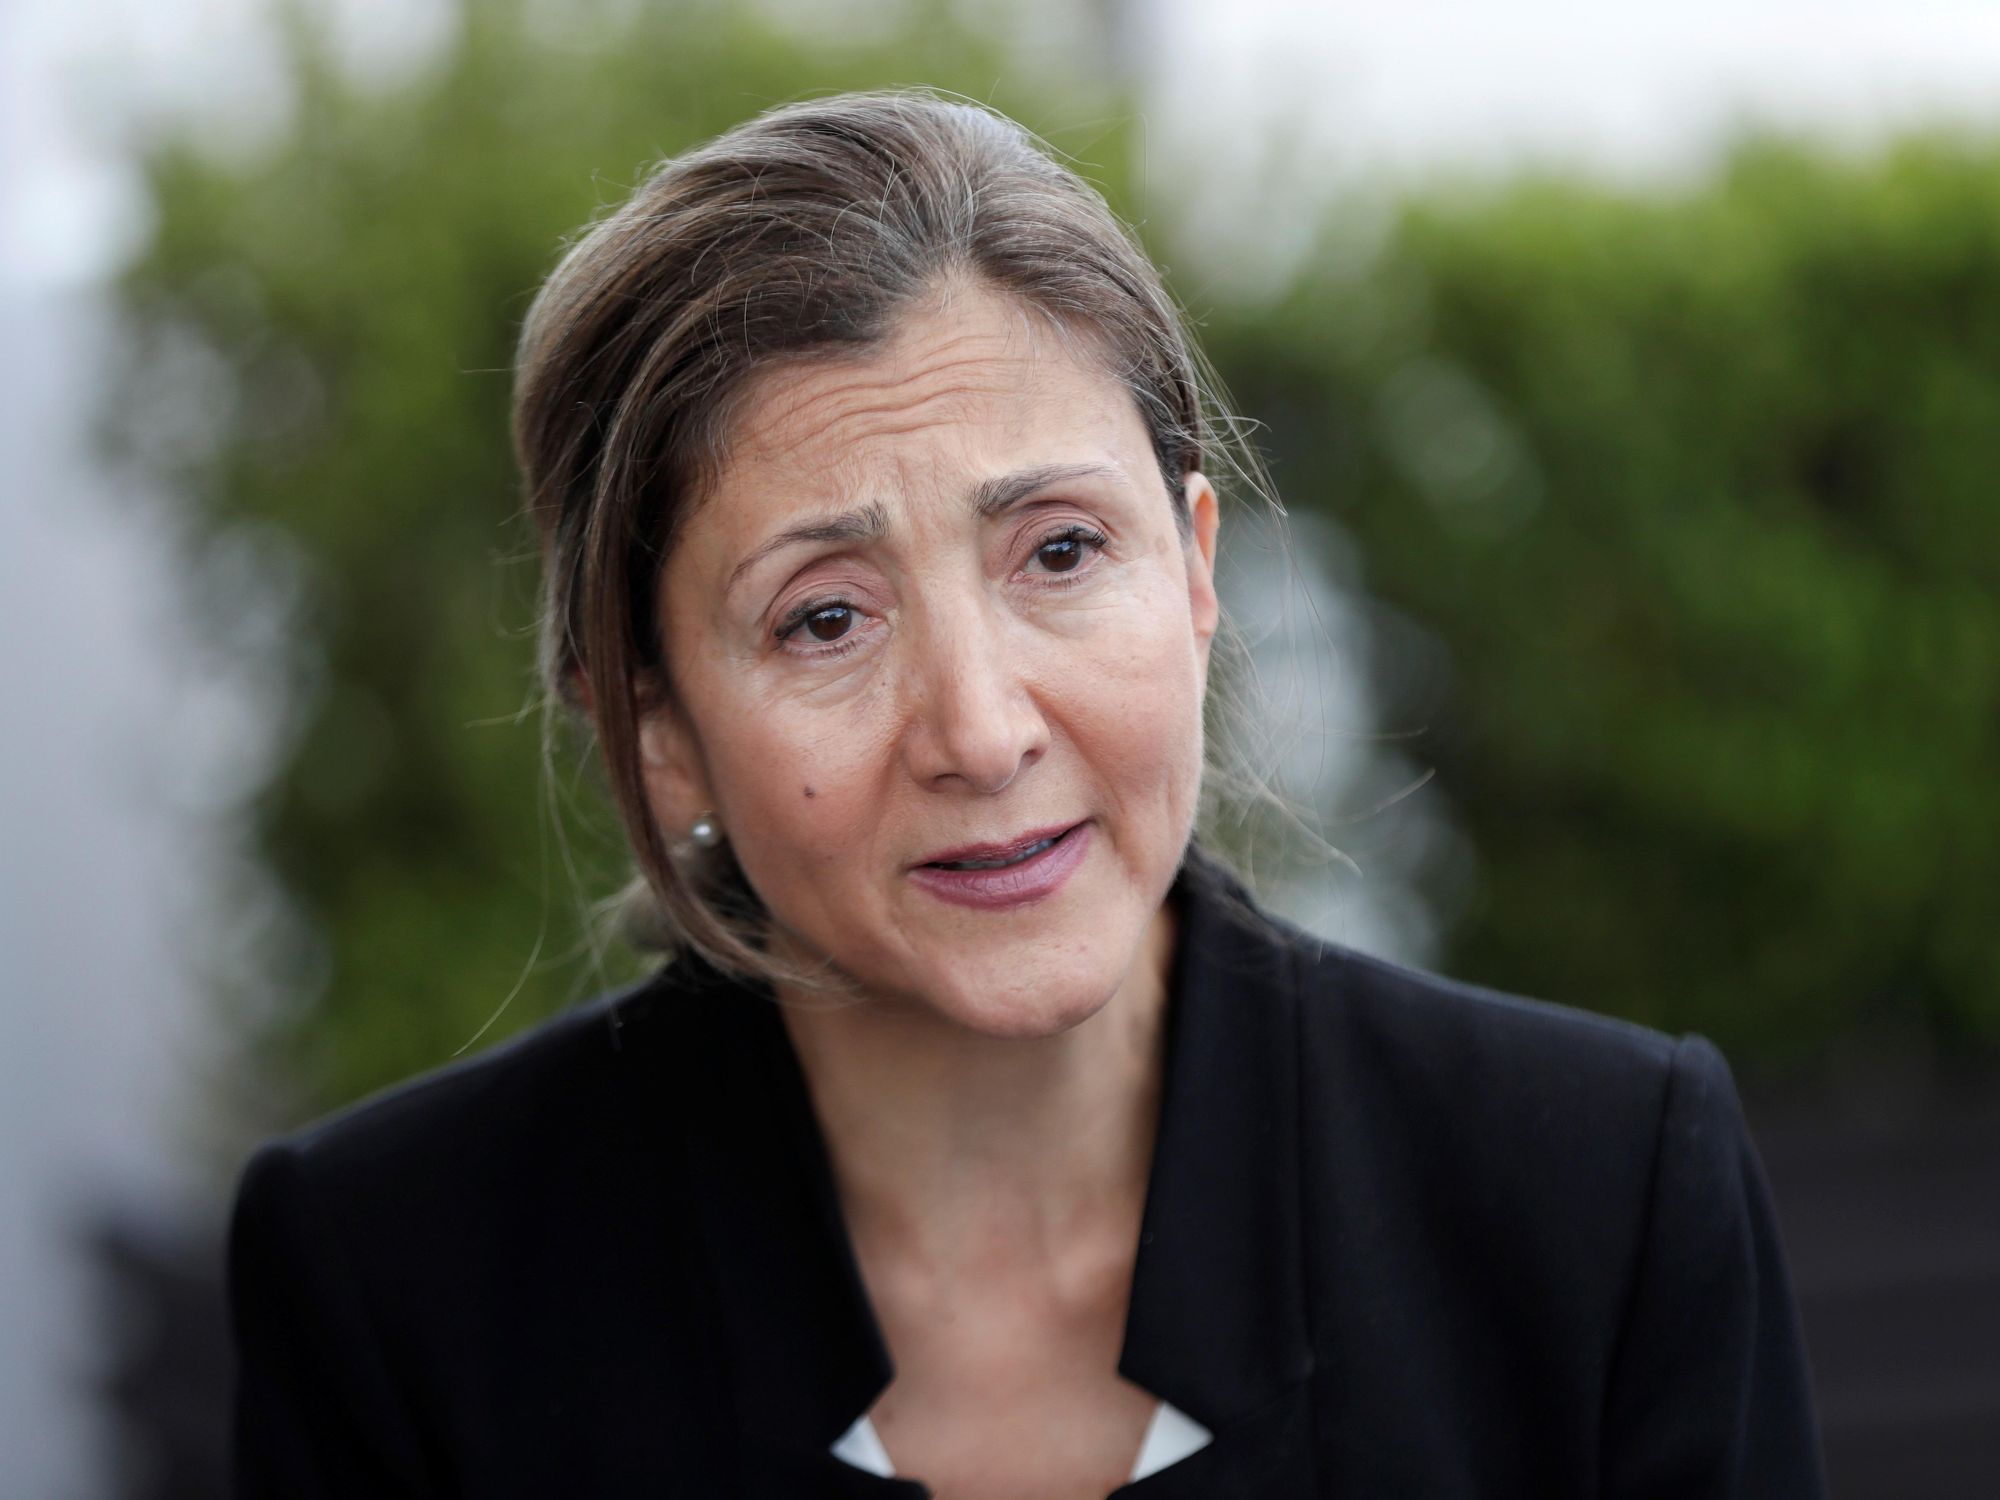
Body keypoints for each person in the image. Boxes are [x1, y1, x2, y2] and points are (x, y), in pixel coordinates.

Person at [225, 88, 1827, 1498]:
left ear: (1195, 569)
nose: (982, 734)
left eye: (1060, 551)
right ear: (657, 722)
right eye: (825, 619)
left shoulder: (1597, 1204)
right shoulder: (396, 1294)